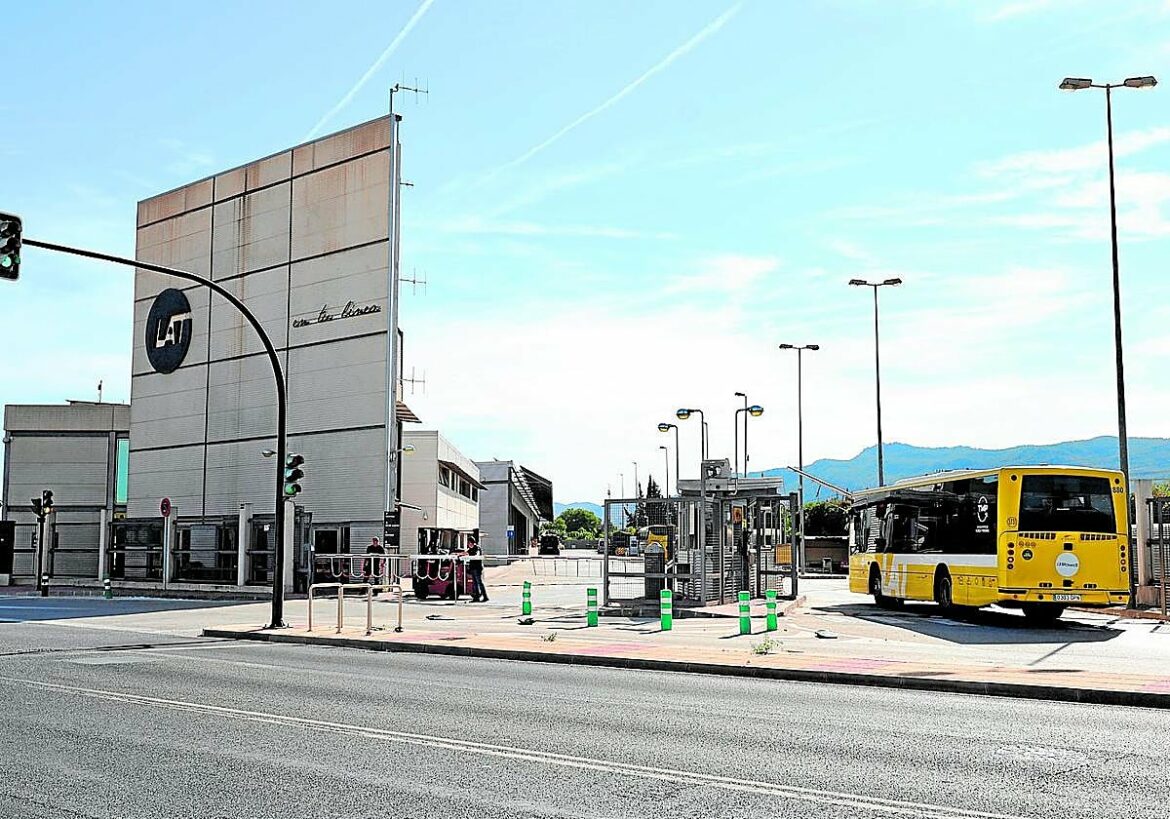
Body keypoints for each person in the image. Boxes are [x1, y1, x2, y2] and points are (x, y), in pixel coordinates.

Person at [464, 537, 487, 603]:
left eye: (469, 543)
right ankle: (476, 597)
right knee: (474, 583)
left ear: (472, 542)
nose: (468, 544)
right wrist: (458, 554)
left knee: (479, 582)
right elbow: (466, 553)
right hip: (473, 568)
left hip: (477, 568)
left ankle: (485, 597)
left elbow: (476, 555)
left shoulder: (477, 548)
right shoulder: (470, 549)